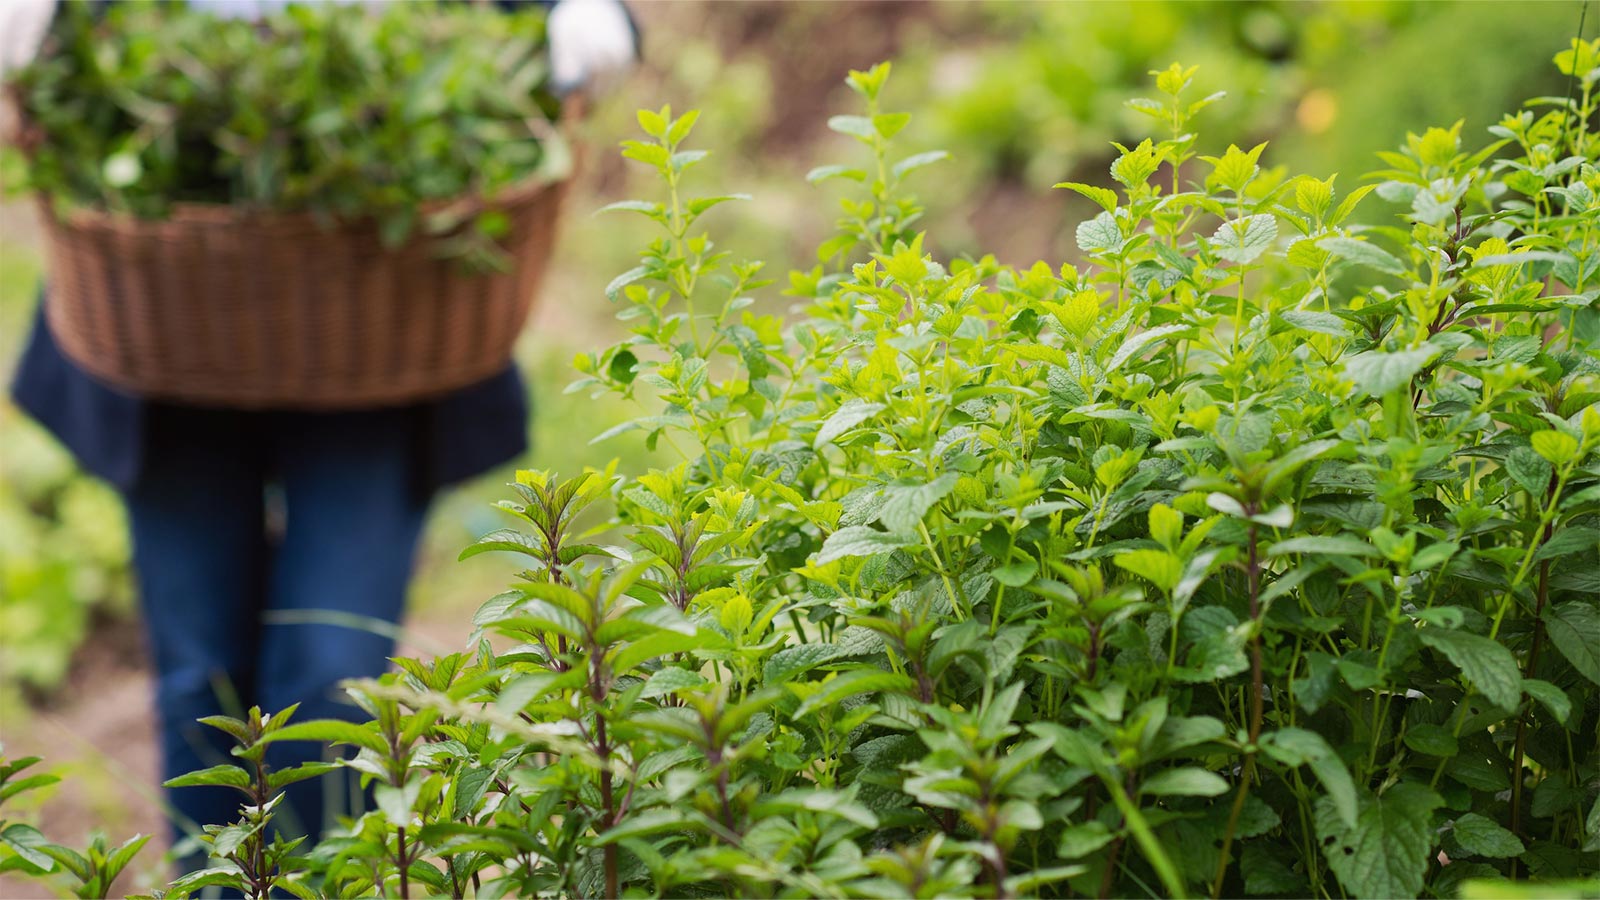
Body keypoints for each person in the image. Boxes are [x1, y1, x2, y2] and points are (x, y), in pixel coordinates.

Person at [2, 0, 636, 865]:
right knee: (201, 678)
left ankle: (315, 881)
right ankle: (215, 884)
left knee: (330, 675)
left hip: (380, 311)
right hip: (168, 323)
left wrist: (588, 16)